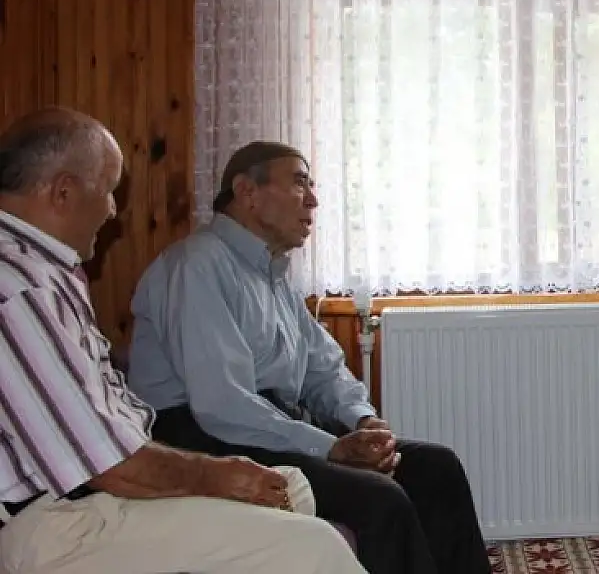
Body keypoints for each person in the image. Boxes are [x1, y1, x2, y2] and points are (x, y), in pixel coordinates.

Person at [0, 108, 365, 574]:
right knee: (314, 545)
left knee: (290, 486)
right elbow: (107, 463)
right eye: (109, 191)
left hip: (90, 490)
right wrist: (216, 474)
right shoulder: (21, 290)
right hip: (51, 521)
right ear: (63, 192)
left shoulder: (45, 273)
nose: (112, 210)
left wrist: (356, 419)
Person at [127, 141, 490, 574]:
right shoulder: (195, 266)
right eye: (300, 183)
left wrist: (362, 421)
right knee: (381, 501)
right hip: (203, 437)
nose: (313, 200)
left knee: (436, 467)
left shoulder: (273, 274)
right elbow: (223, 405)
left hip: (266, 424)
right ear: (247, 192)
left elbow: (324, 367)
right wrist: (330, 447)